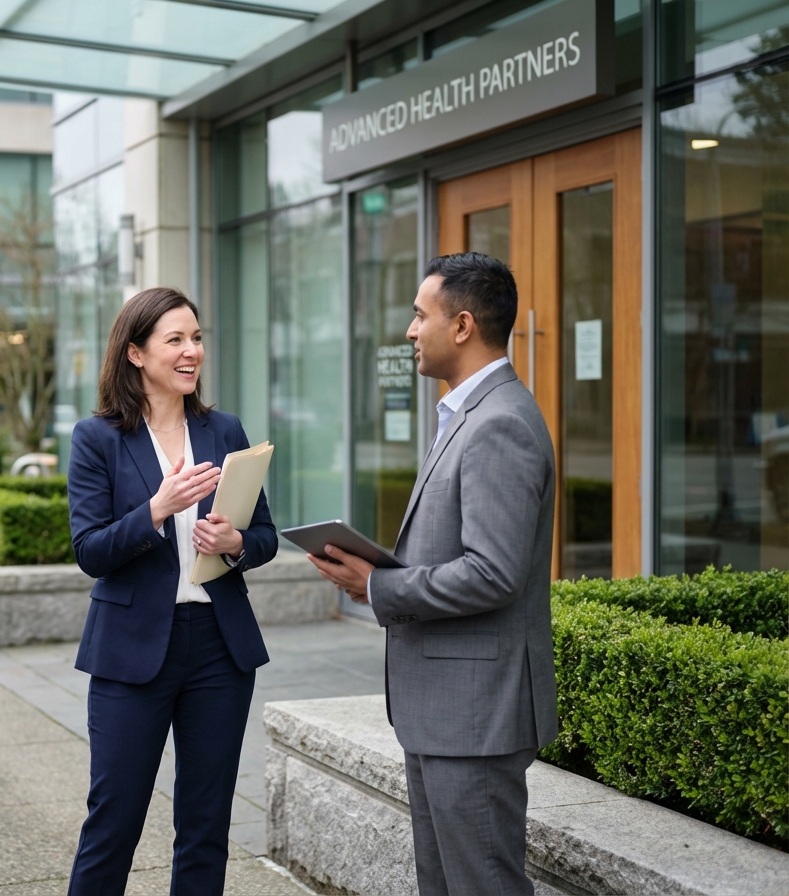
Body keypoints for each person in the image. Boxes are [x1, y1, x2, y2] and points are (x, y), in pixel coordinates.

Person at [308, 252, 558, 896]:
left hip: (474, 718)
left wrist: (377, 585)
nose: (410, 331)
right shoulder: (465, 415)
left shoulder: (500, 423)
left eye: (421, 316)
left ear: (464, 325)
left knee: (481, 885)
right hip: (447, 714)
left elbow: (493, 574)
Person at [65, 287, 278, 896]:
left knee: (207, 824)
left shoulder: (224, 429)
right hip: (132, 652)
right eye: (176, 340)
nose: (193, 352)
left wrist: (234, 541)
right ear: (135, 353)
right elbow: (89, 552)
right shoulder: (97, 438)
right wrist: (156, 509)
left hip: (219, 648)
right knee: (114, 821)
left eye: (197, 338)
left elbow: (264, 535)